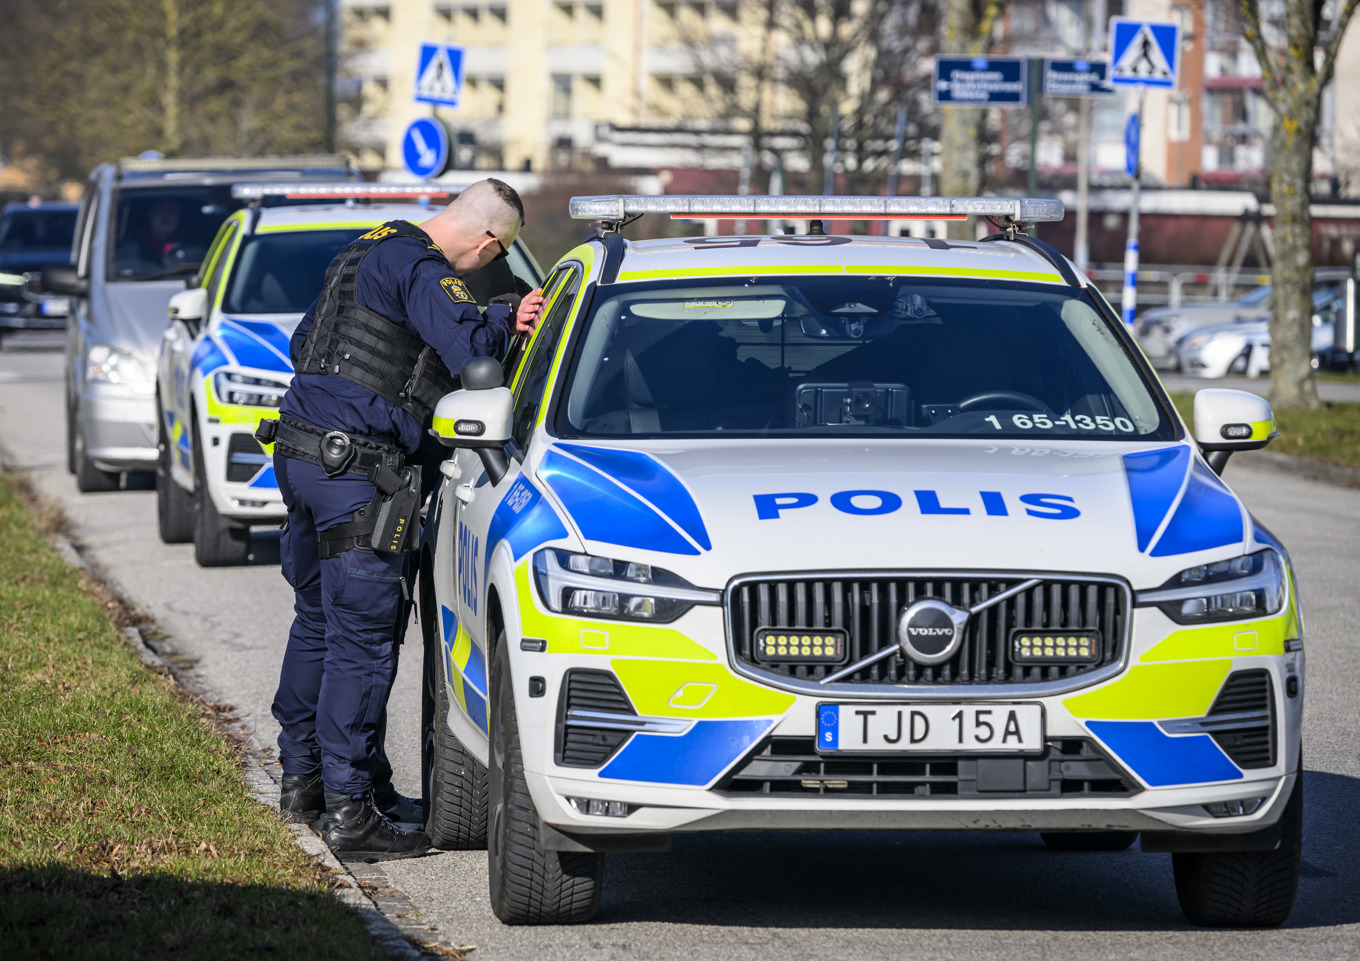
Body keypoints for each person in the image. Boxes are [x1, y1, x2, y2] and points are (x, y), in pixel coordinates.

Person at [263, 179, 544, 860]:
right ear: (488, 242)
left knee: (317, 622)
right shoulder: (424, 268)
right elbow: (469, 358)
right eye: (494, 256)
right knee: (363, 638)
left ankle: (305, 783)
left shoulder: (365, 249)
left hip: (301, 452)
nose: (485, 267)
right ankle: (351, 813)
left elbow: (307, 344)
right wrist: (506, 319)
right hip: (355, 472)